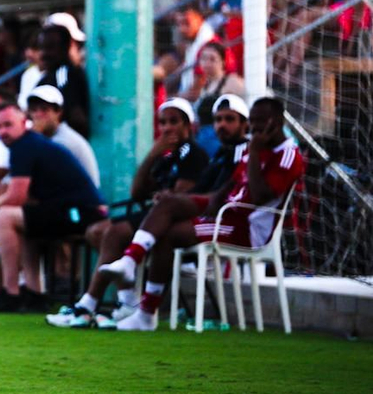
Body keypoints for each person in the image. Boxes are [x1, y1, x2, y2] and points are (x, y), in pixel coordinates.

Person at [94, 95, 304, 331]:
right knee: (168, 206)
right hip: (227, 215)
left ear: (275, 122)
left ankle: (141, 310)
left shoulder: (286, 154)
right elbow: (230, 186)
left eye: (259, 121)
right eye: (252, 121)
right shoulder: (243, 150)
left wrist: (253, 153)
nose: (255, 128)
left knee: (165, 233)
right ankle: (131, 266)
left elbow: (258, 197)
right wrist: (206, 202)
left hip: (247, 228)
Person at [47, 98, 210, 329]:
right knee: (96, 231)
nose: (166, 128)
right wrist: (152, 155)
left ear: (188, 125)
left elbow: (180, 195)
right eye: (162, 122)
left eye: (173, 122)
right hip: (153, 215)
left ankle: (88, 304)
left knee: (113, 232)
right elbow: (137, 192)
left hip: (170, 221)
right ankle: (128, 301)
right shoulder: (166, 156)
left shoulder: (192, 153)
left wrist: (163, 194)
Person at [0, 100, 104, 313]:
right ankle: (34, 295)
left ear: (24, 122)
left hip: (80, 213)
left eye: (7, 125)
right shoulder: (28, 144)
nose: (2, 132)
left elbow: (16, 196)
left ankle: (10, 292)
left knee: (5, 216)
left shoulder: (25, 146)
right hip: (76, 211)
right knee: (24, 222)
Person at [25, 85, 98, 187]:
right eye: (34, 110)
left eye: (44, 109)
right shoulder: (46, 138)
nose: (38, 115)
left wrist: (33, 138)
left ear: (58, 112)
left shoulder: (64, 141)